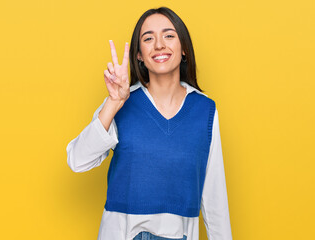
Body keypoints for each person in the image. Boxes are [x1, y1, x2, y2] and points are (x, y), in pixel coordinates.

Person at [66, 7, 233, 240]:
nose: (159, 45)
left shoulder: (204, 110)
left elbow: (215, 200)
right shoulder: (120, 103)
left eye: (169, 35)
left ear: (184, 48)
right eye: (148, 38)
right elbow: (77, 160)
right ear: (139, 55)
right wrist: (113, 104)